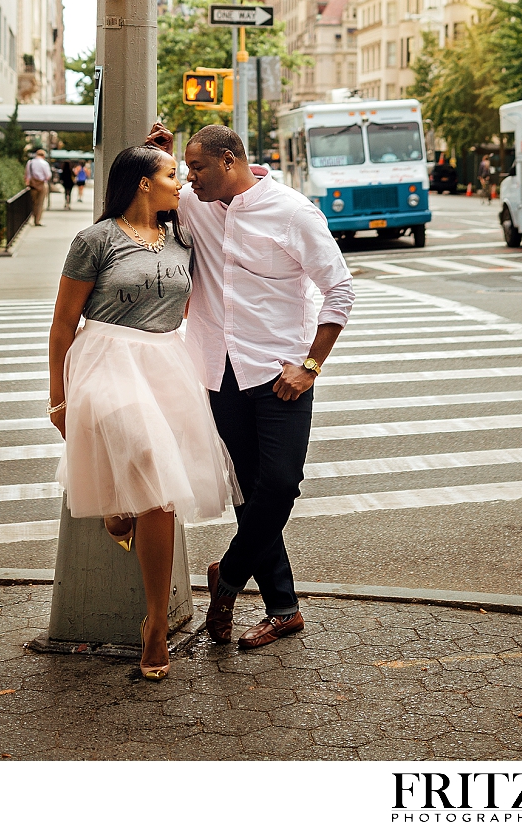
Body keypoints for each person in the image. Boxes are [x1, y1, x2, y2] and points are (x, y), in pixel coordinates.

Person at [146, 117, 354, 651]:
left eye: (197, 168)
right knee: (247, 494)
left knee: (281, 485)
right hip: (217, 371)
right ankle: (284, 609)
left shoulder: (292, 213)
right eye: (185, 170)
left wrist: (310, 365)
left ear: (230, 163)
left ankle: (229, 581)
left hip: (279, 373)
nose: (189, 179)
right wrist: (161, 157)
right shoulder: (194, 203)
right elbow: (147, 202)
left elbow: (339, 290)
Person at [48, 144, 236, 680]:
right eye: (172, 174)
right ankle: (118, 505)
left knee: (160, 495)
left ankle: (155, 623)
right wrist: (56, 396)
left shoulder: (180, 238)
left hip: (166, 361)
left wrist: (172, 151)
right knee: (150, 459)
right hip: (106, 357)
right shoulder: (95, 241)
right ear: (141, 184)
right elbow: (63, 325)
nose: (181, 183)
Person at [25, 147, 53, 226]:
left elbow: (27, 175)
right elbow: (48, 175)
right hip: (42, 184)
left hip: (32, 185)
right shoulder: (44, 163)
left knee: (34, 202)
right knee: (40, 203)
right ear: (43, 155)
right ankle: (37, 220)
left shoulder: (30, 162)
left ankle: (33, 218)